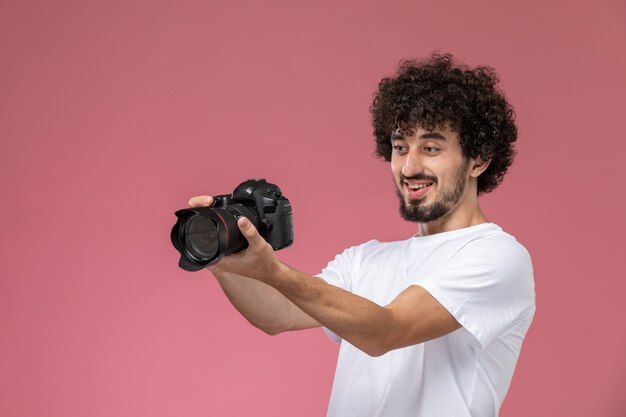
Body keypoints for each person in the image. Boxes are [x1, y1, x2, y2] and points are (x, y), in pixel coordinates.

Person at [187, 53, 535, 417]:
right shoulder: (364, 259)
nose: (410, 166)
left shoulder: (498, 256)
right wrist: (221, 257)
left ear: (478, 160)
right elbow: (278, 314)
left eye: (431, 148)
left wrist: (274, 270)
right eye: (400, 147)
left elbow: (386, 330)